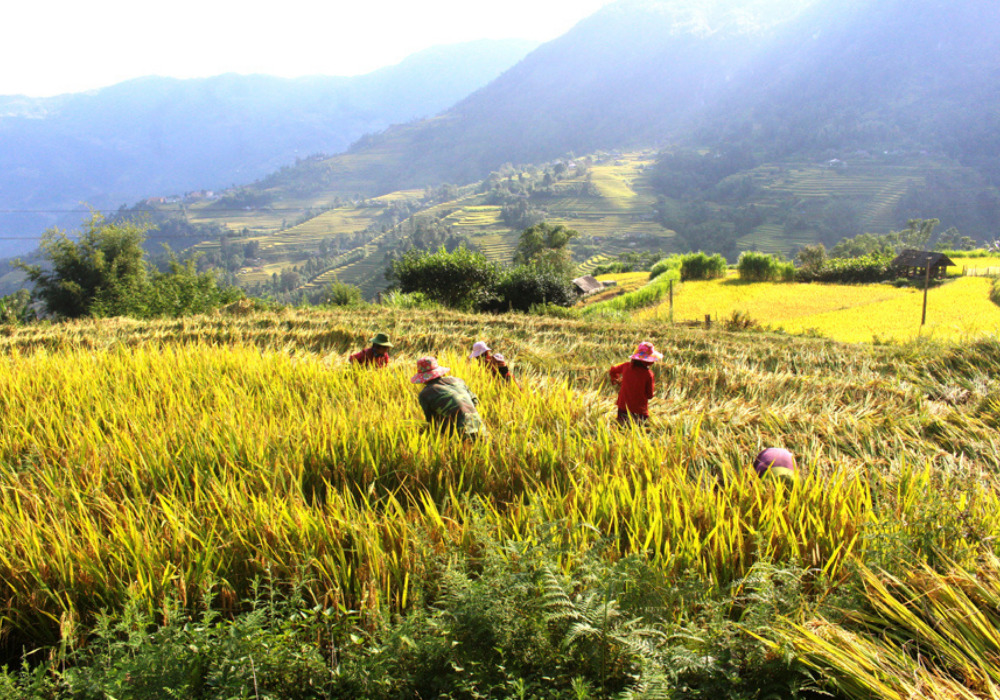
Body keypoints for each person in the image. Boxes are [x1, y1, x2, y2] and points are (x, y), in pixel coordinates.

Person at [412, 356, 483, 440]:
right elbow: (475, 401)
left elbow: (432, 421)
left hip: (459, 434)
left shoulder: (425, 394)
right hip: (480, 428)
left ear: (423, 377)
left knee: (459, 452)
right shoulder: (457, 381)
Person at [608, 341, 662, 427]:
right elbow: (649, 395)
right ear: (648, 361)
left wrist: (616, 379)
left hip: (622, 407)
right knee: (636, 432)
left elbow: (613, 370)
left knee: (621, 430)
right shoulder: (648, 374)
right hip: (639, 411)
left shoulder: (626, 366)